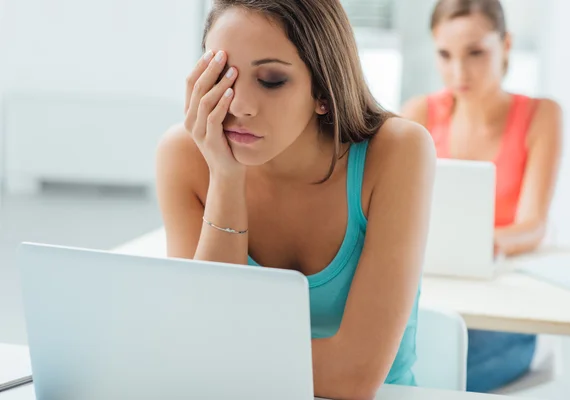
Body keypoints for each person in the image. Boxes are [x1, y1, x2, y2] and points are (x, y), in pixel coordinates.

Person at [156, 0, 436, 398]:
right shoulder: (186, 155)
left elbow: (353, 378)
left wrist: (213, 357)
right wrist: (226, 177)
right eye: (222, 77)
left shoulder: (399, 151)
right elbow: (202, 339)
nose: (239, 106)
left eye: (271, 80)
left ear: (323, 90)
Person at [402, 0, 562, 393]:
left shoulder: (542, 116)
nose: (459, 72)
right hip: (432, 293)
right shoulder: (418, 113)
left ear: (506, 45)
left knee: (436, 370)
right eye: (444, 55)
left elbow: (532, 226)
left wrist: (473, 247)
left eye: (476, 53)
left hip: (503, 309)